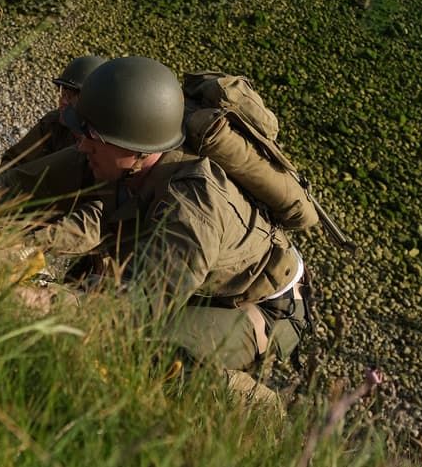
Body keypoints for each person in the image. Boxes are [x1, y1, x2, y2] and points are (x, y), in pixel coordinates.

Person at [26, 56, 312, 385]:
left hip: (262, 308)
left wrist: (49, 302)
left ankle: (263, 410)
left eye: (92, 135)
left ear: (138, 152)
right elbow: (22, 184)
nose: (81, 143)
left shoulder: (191, 207)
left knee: (149, 356)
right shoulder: (114, 155)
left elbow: (138, 307)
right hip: (200, 283)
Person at [0, 55, 107, 166]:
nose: (63, 101)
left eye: (72, 96)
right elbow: (14, 162)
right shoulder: (53, 123)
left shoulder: (103, 148)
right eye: (63, 93)